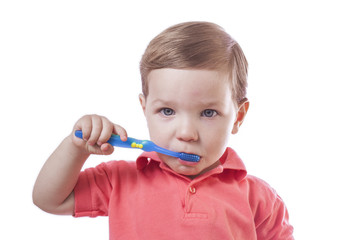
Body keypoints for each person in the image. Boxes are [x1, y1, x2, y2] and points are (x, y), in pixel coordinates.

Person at [33, 21, 294, 239]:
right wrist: (75, 149)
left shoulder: (259, 199)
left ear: (238, 116)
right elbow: (48, 199)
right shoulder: (121, 180)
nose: (187, 133)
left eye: (208, 113)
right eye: (167, 111)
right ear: (145, 109)